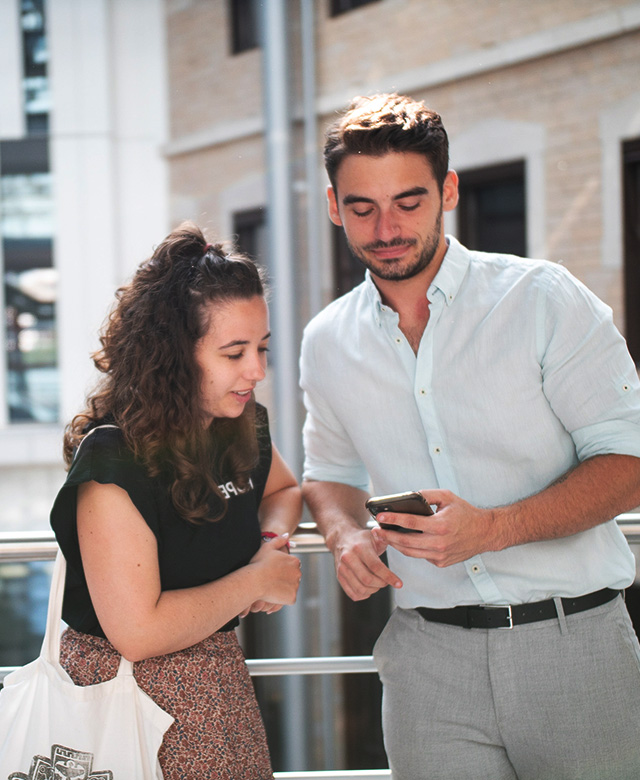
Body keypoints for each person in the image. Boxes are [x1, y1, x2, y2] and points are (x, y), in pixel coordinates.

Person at [300, 93, 640, 779]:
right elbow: (328, 473)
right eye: (362, 206)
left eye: (409, 201)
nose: (386, 226)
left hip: (576, 648)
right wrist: (343, 537)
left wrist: (494, 529)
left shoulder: (543, 298)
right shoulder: (326, 340)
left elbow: (630, 461)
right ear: (335, 207)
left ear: (448, 191)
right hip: (427, 662)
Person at [50, 223, 302, 780]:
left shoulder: (234, 423)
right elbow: (138, 633)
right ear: (173, 356)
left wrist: (267, 544)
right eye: (234, 353)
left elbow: (284, 490)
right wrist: (258, 580)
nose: (256, 371)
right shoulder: (114, 461)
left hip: (221, 697)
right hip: (126, 711)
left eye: (261, 348)